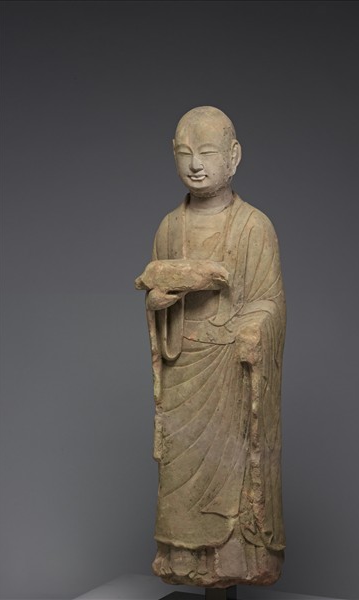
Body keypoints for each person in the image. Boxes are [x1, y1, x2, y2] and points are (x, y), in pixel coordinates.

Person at [136, 106, 286, 589]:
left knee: (232, 468)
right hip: (184, 366)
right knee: (180, 473)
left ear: (234, 156)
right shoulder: (169, 227)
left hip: (230, 372)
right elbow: (155, 293)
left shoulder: (254, 226)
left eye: (207, 153)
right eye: (185, 154)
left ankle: (234, 562)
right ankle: (185, 561)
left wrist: (253, 331)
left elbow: (268, 302)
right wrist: (158, 303)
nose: (196, 165)